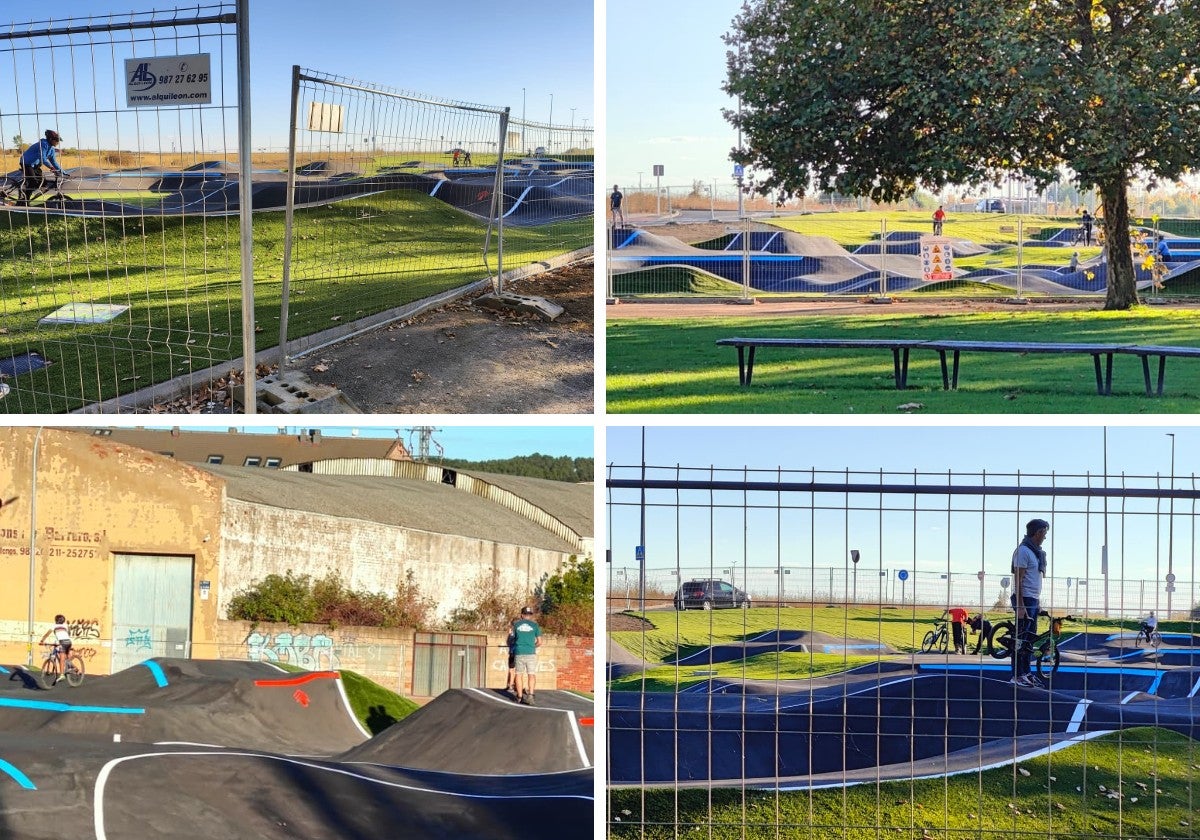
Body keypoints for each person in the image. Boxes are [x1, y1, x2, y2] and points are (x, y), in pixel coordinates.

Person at [1011, 518, 1049, 686]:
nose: (1045, 537)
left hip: (1032, 600)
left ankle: (1026, 672)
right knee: (1020, 639)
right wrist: (1020, 606)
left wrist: (1037, 602)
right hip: (1024, 599)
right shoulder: (1023, 551)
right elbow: (1018, 580)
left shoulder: (1036, 553)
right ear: (1037, 533)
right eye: (1044, 533)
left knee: (1029, 641)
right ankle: (1017, 675)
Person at [17, 129, 66, 205]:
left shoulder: (51, 149)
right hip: (26, 163)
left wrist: (63, 172)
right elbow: (43, 159)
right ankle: (24, 200)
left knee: (43, 182)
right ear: (50, 139)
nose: (57, 142)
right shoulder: (43, 144)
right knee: (33, 181)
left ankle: (26, 192)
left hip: (35, 165)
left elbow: (54, 162)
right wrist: (52, 168)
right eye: (56, 140)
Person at [510, 605, 542, 705]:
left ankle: (519, 697)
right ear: (530, 615)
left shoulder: (516, 625)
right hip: (531, 653)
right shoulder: (535, 625)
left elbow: (513, 639)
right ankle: (531, 696)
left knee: (519, 674)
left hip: (519, 652)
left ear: (521, 615)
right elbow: (540, 642)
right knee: (531, 674)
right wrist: (533, 646)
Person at [37, 614, 72, 682]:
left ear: (56, 620)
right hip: (69, 642)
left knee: (61, 658)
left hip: (62, 642)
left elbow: (47, 634)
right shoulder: (65, 625)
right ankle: (73, 668)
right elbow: (67, 633)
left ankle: (62, 675)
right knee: (67, 658)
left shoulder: (54, 626)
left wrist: (42, 641)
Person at [504, 627, 518, 696]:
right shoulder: (513, 634)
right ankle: (511, 685)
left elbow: (509, 642)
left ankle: (511, 686)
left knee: (512, 670)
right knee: (512, 670)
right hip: (512, 653)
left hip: (514, 653)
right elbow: (508, 643)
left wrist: (510, 634)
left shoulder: (515, 634)